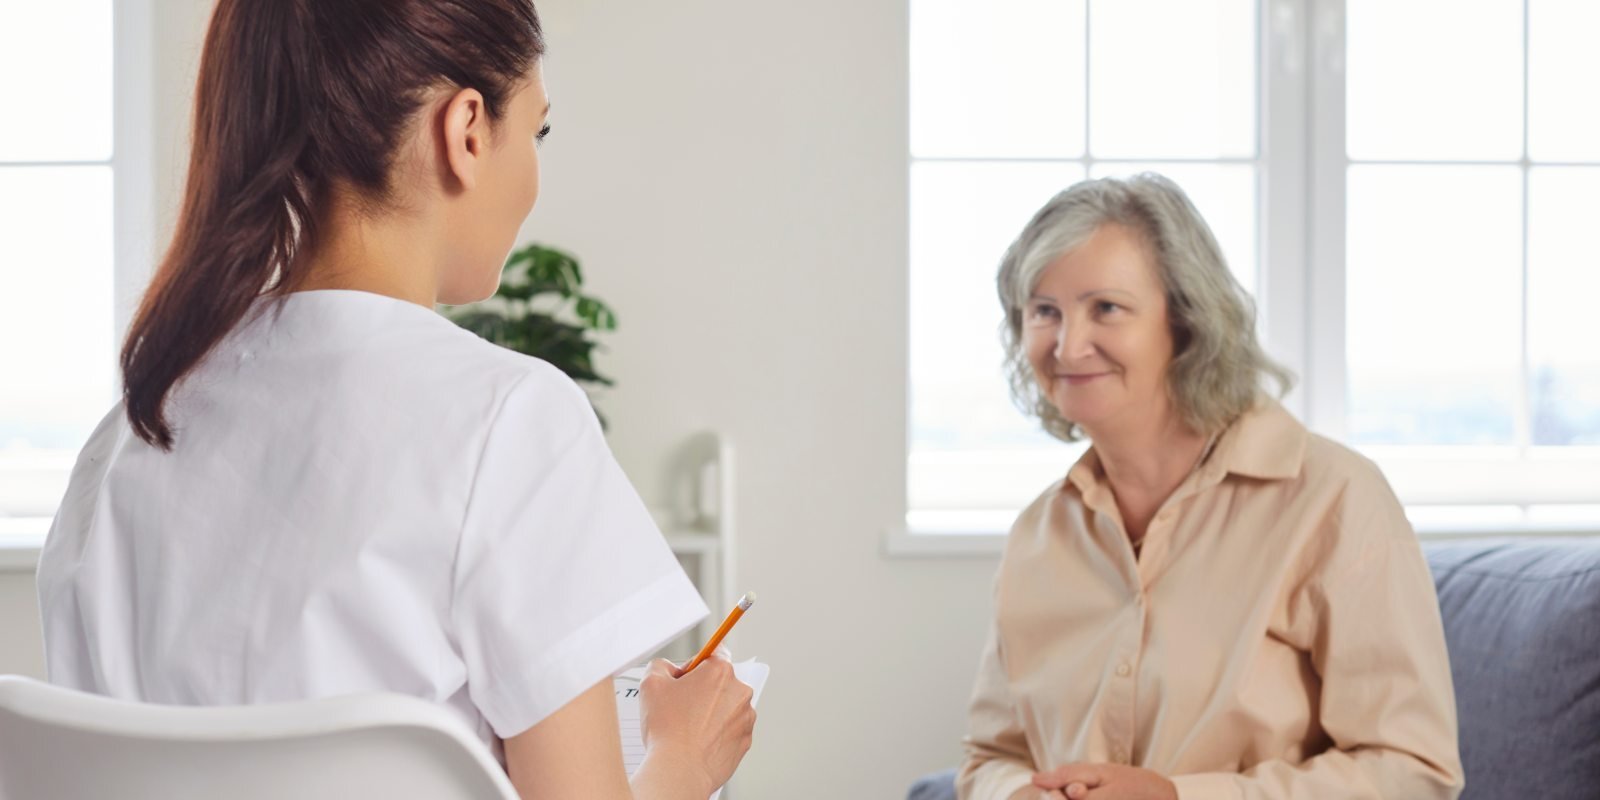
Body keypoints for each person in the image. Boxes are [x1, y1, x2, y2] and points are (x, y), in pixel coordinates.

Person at [35, 2, 754, 798]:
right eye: (537, 132)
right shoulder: (510, 421)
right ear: (468, 131)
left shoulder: (122, 441)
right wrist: (685, 758)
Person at [958, 174, 1463, 800]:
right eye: (1044, 311)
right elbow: (990, 756)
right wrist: (1013, 793)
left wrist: (1180, 797)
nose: (1068, 344)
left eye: (1106, 308)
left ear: (1186, 322)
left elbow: (1413, 772)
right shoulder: (1039, 536)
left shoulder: (1333, 499)